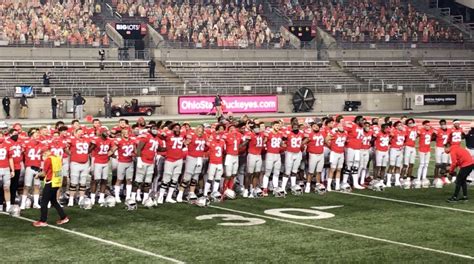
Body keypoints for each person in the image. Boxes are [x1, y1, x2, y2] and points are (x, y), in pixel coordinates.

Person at [33, 148, 69, 227]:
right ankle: (64, 217)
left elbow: (44, 173)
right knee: (54, 201)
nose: (42, 156)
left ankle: (43, 221)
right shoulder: (57, 158)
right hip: (57, 182)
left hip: (51, 182)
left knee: (44, 202)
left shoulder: (48, 160)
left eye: (42, 154)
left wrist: (37, 175)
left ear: (45, 153)